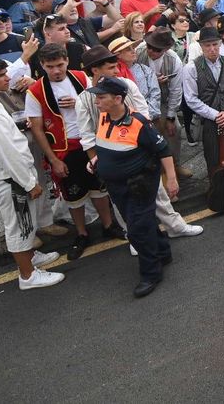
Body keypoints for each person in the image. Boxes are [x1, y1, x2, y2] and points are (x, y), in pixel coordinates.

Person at [0, 56, 65, 290]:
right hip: (9, 179)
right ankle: (27, 275)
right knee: (19, 224)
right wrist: (29, 183)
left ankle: (30, 256)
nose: (8, 78)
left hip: (4, 176)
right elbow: (7, 155)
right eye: (0, 75)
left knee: (25, 221)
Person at [26, 43, 126, 259]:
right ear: (42, 65)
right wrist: (53, 159)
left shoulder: (82, 77)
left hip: (92, 141)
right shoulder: (35, 91)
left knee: (99, 187)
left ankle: (108, 224)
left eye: (60, 65)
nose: (56, 70)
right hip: (64, 149)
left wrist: (79, 103)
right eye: (50, 66)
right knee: (73, 193)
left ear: (67, 61)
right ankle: (81, 233)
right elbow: (37, 128)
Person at [85, 77, 179, 297]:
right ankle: (163, 251)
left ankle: (151, 273)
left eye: (101, 97)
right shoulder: (104, 117)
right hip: (116, 185)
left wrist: (172, 179)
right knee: (140, 222)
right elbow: (108, 143)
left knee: (136, 230)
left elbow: (163, 150)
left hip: (139, 184)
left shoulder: (139, 123)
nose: (96, 101)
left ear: (118, 99)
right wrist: (99, 159)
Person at [182, 27, 224, 173]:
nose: (212, 49)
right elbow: (191, 98)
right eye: (207, 45)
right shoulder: (191, 68)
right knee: (213, 158)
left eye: (215, 44)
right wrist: (215, 115)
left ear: (220, 44)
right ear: (201, 47)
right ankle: (216, 190)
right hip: (209, 120)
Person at [138, 30, 188, 178]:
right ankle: (155, 169)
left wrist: (171, 117)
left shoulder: (174, 60)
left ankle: (174, 165)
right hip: (143, 101)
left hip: (164, 101)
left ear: (166, 49)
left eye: (156, 49)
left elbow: (176, 90)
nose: (151, 51)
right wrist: (152, 82)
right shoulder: (139, 52)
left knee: (175, 130)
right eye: (149, 46)